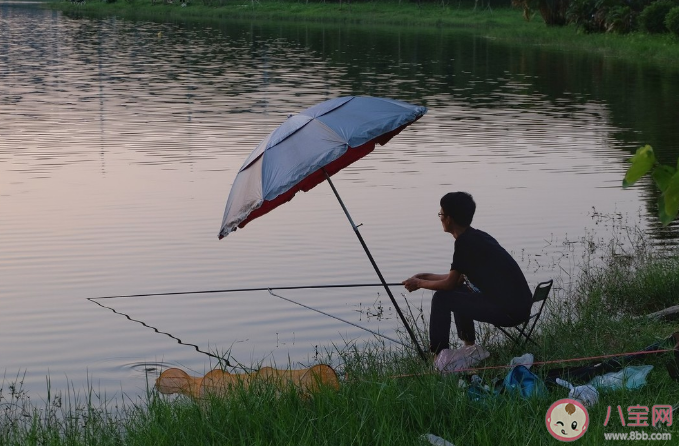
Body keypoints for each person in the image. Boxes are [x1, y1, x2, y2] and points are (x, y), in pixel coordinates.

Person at [402, 191, 532, 355]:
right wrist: (424, 276)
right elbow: (456, 279)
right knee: (457, 292)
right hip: (520, 307)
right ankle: (469, 347)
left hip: (509, 311)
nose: (440, 218)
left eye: (441, 214)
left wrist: (419, 284)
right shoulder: (477, 237)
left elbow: (449, 283)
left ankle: (438, 356)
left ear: (449, 219)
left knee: (442, 298)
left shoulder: (465, 244)